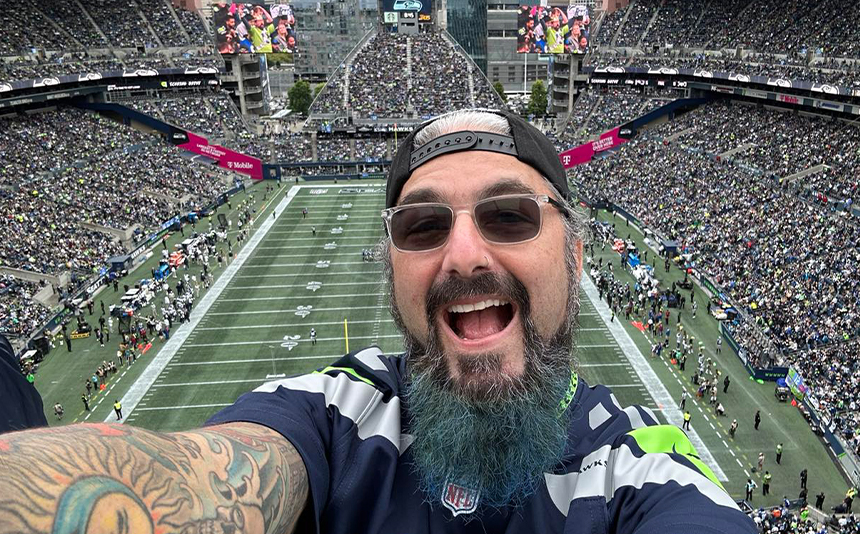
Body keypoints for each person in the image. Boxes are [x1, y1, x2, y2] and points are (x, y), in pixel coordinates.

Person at [0, 109, 756, 533]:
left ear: (576, 253)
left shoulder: (644, 472)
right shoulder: (334, 418)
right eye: (422, 227)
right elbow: (182, 481)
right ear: (392, 266)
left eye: (508, 216)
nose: (463, 254)